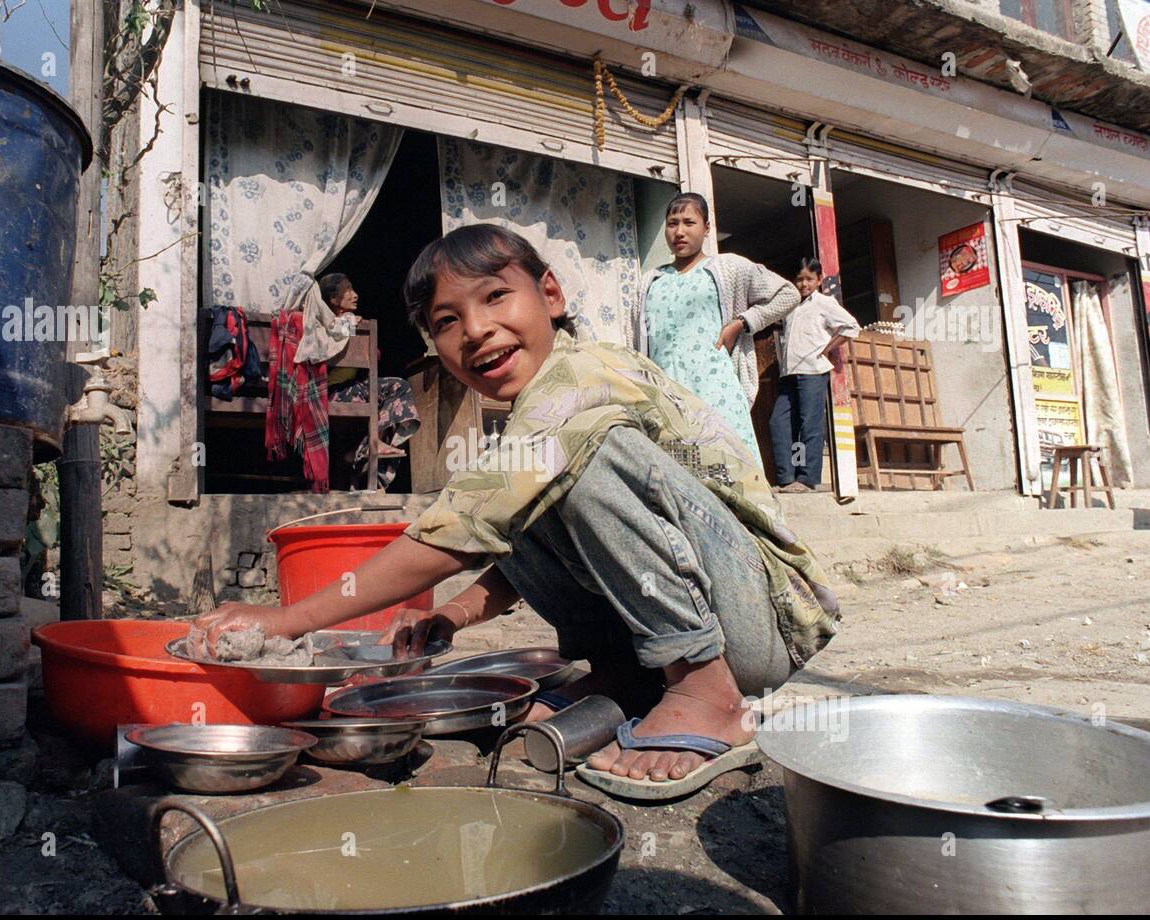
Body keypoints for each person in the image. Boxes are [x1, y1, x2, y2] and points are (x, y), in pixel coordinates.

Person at [193, 225, 840, 799]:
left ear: (551, 296)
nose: (475, 329)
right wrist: (455, 613)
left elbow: (453, 532)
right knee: (522, 491)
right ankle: (631, 679)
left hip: (767, 617)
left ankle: (704, 689)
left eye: (495, 296)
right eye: (446, 322)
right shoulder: (533, 425)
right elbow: (504, 533)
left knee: (580, 458)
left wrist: (287, 619)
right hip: (720, 615)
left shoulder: (583, 377)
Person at [637, 192, 799, 457]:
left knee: (729, 467)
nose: (679, 231)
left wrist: (742, 323)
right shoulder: (649, 281)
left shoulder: (728, 267)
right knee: (678, 473)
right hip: (667, 393)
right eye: (672, 223)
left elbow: (788, 294)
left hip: (715, 390)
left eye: (689, 223)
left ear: (707, 228)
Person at [318, 273, 420, 488]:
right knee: (397, 387)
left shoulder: (355, 323)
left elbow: (373, 356)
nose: (355, 295)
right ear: (333, 299)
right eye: (347, 291)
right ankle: (370, 444)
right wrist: (349, 326)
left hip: (349, 390)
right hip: (330, 392)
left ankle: (367, 446)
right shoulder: (322, 323)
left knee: (392, 389)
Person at [769, 258, 859, 493]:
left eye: (809, 279)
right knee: (779, 422)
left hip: (812, 372)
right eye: (799, 279)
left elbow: (852, 326)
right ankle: (787, 477)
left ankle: (807, 479)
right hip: (789, 373)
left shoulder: (824, 303)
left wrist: (826, 348)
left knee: (809, 426)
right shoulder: (791, 306)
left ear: (819, 280)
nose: (803, 284)